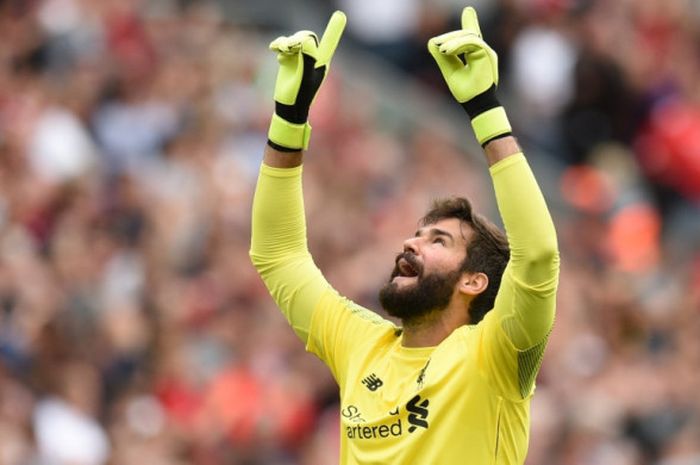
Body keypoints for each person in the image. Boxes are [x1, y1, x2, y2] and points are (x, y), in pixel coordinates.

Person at [250, 6, 560, 465]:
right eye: (418, 235)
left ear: (473, 281)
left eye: (439, 241)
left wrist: (486, 112)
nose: (410, 244)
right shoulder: (361, 344)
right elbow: (278, 255)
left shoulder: (496, 354)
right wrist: (288, 122)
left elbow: (537, 256)